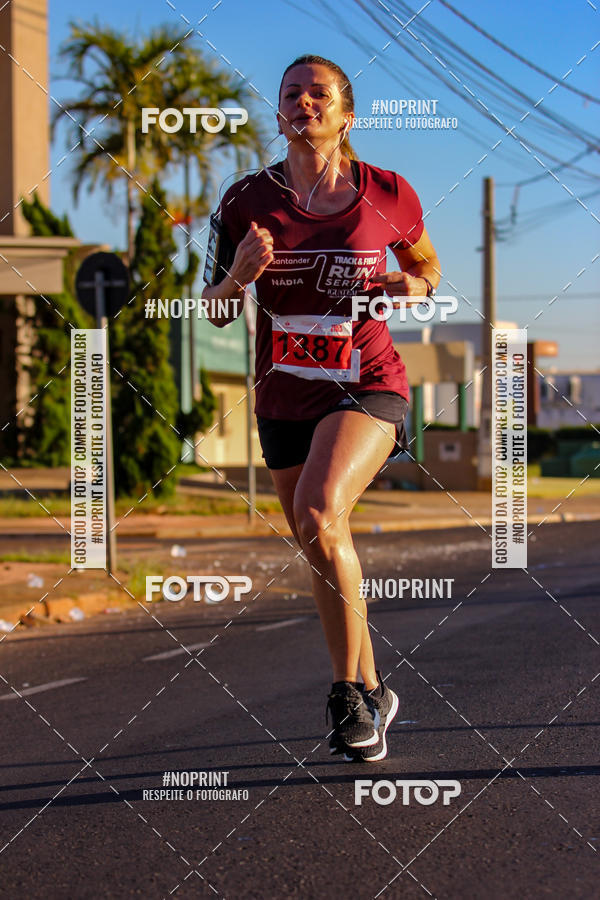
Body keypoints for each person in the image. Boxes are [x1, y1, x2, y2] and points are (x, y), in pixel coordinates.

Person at [202, 55, 441, 761]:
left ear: (345, 115)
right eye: (291, 95)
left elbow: (428, 266)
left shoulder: (388, 192)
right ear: (279, 115)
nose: (304, 104)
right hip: (282, 395)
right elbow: (214, 311)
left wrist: (413, 288)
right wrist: (238, 277)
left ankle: (344, 698)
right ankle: (374, 690)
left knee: (316, 510)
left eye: (319, 94)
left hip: (368, 381)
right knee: (321, 536)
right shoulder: (244, 202)